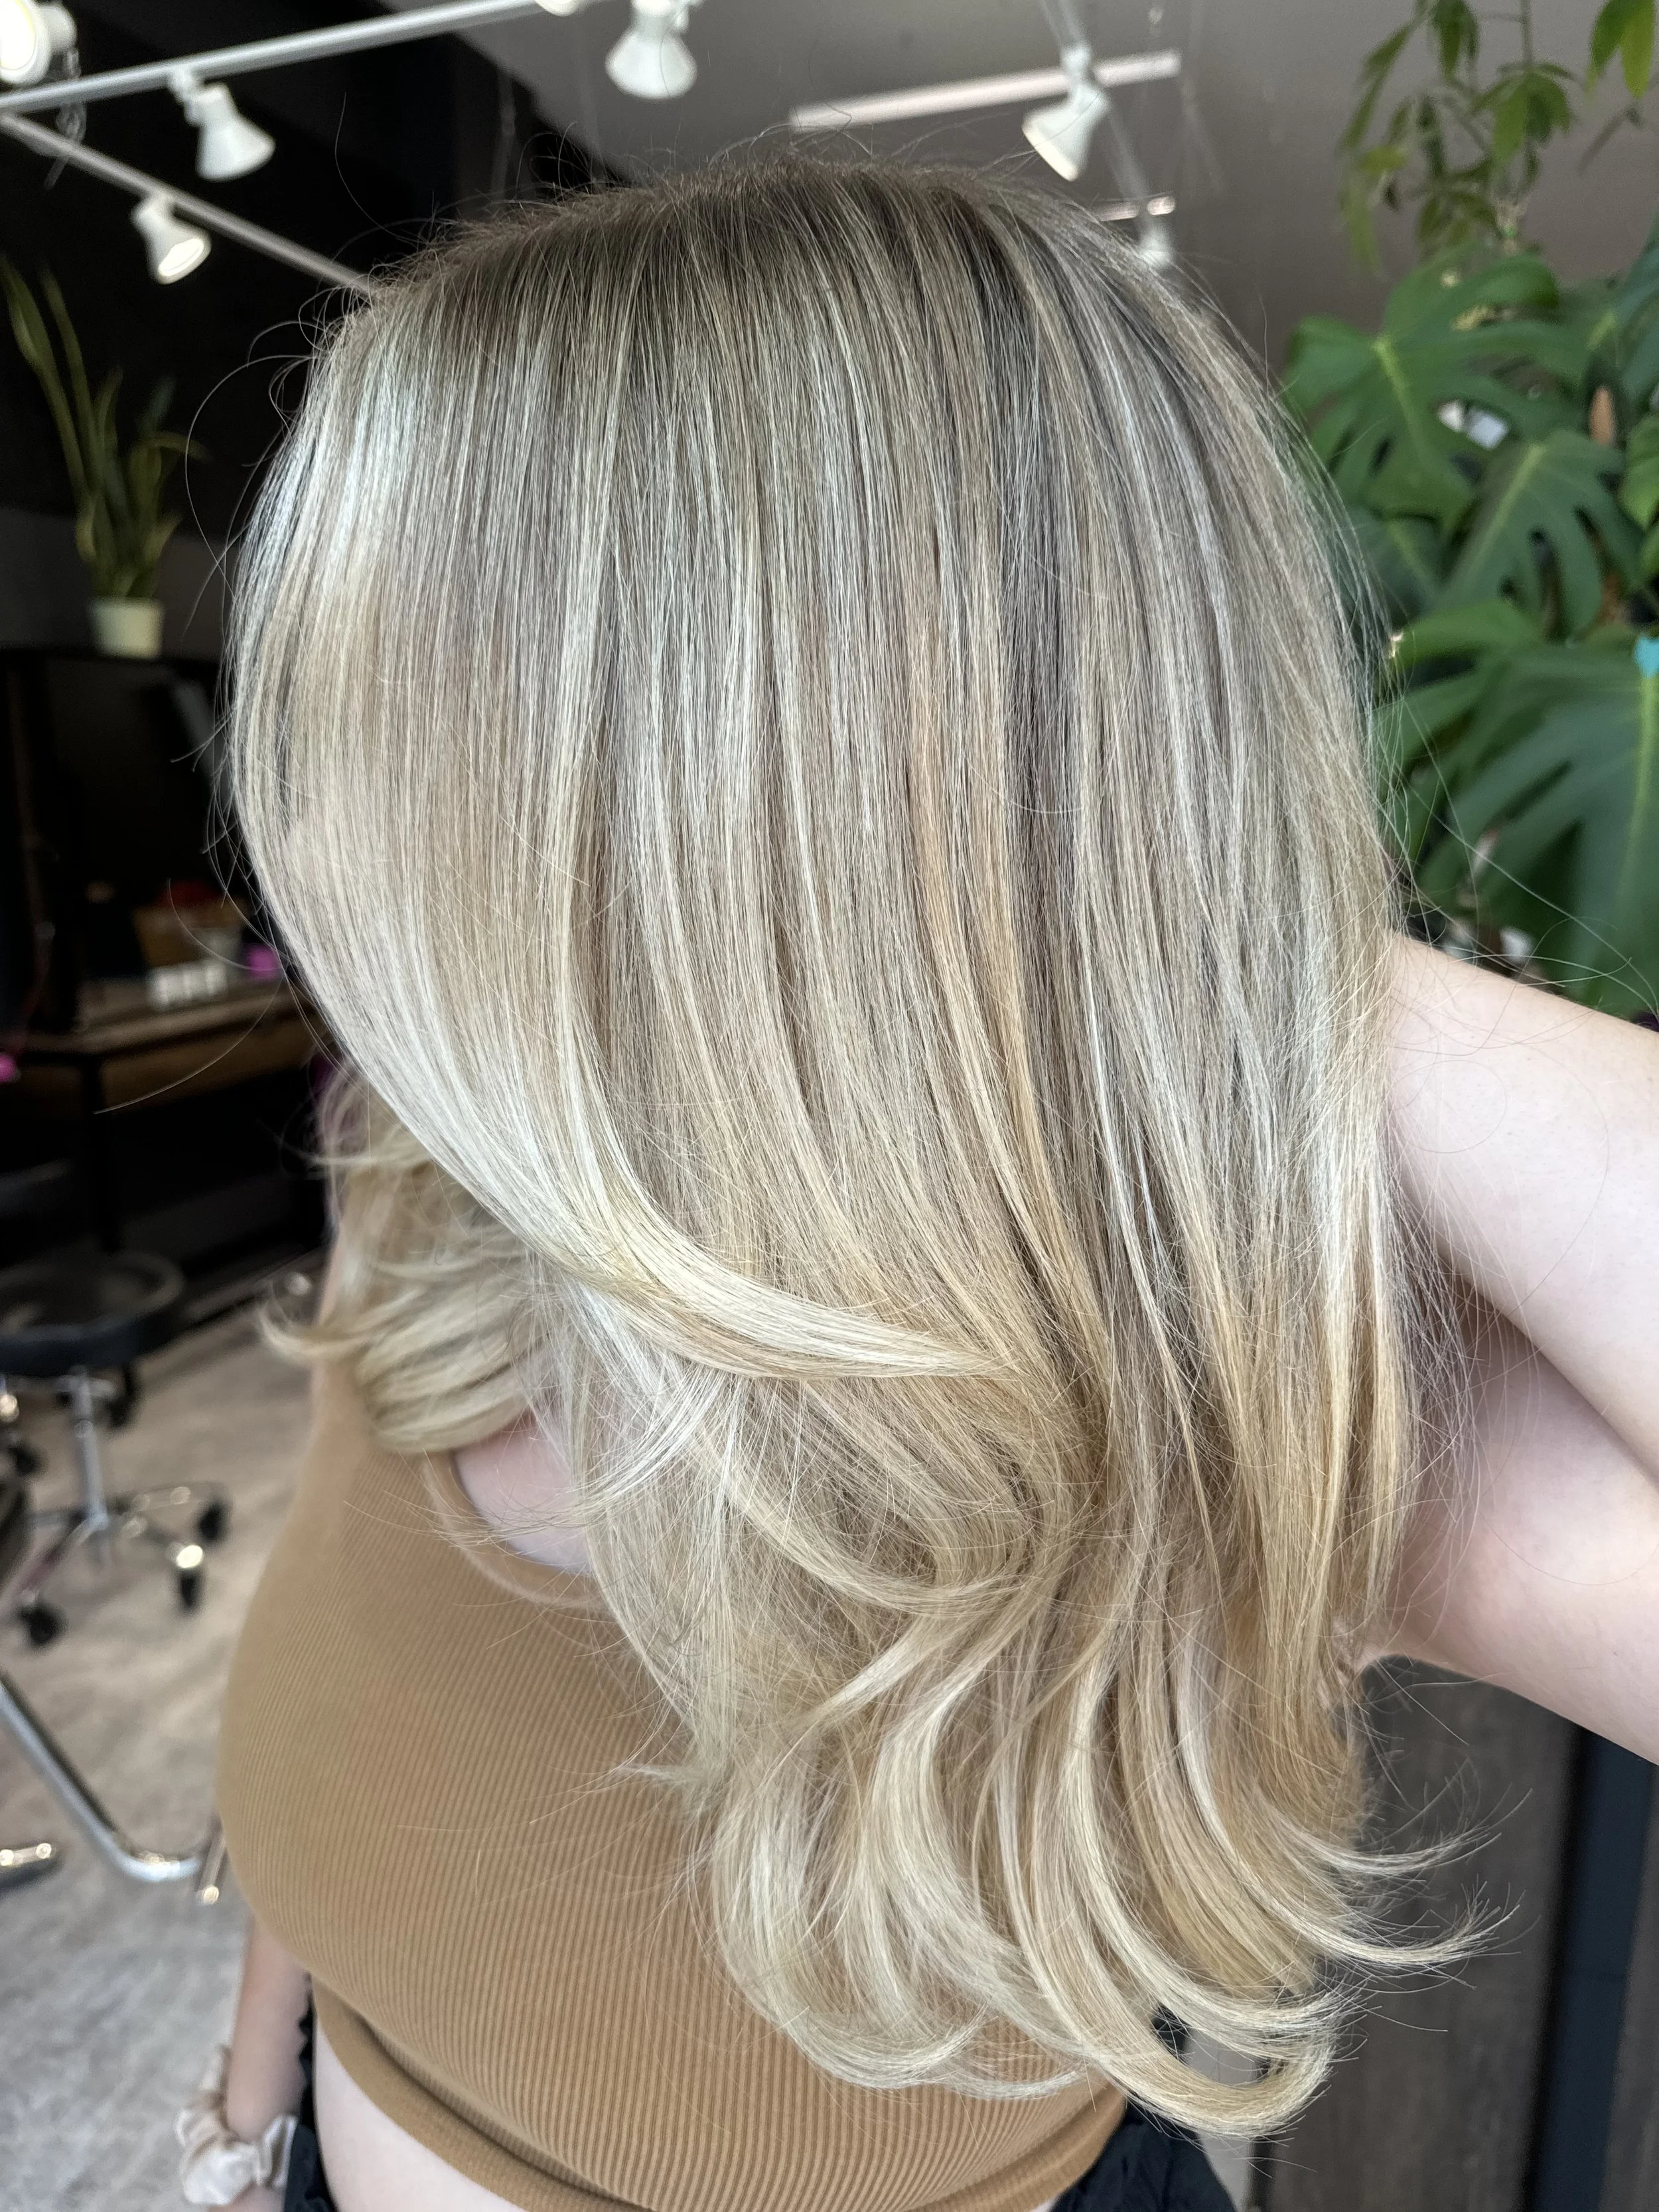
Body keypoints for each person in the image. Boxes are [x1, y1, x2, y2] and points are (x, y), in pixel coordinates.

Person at [188, 157, 1659, 2212]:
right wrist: (249, 2108)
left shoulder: (1176, 1385)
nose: (308, 840)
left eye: (378, 745)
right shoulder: (435, 1187)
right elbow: (327, 1797)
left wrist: (1231, 964)